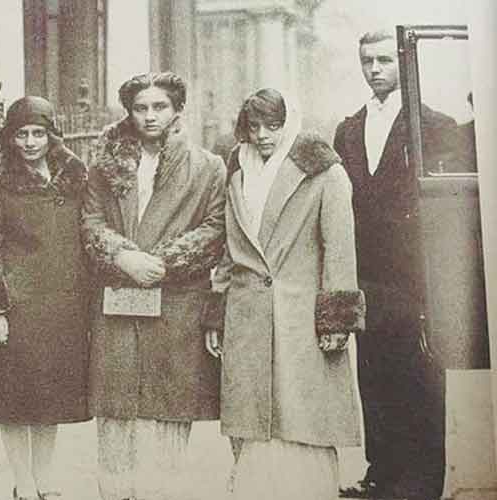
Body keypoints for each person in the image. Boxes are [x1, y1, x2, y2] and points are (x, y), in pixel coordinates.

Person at [211, 87, 365, 500]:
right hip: (247, 313)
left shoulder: (323, 171)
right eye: (255, 126)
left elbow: (339, 248)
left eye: (273, 126)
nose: (263, 135)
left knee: (301, 417)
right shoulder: (238, 171)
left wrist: (336, 318)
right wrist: (216, 312)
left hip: (301, 317)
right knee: (254, 420)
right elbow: (229, 247)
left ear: (289, 123)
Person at [82, 71, 226, 500]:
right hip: (119, 299)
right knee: (117, 405)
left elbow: (216, 226)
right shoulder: (105, 164)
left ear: (178, 110)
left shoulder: (207, 166)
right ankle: (116, 490)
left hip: (175, 301)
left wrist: (164, 262)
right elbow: (89, 219)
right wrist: (123, 256)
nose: (149, 116)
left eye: (159, 107)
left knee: (168, 405)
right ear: (129, 112)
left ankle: (162, 490)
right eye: (140, 108)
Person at [334, 30, 457, 500]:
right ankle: (380, 472)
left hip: (416, 275)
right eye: (367, 60)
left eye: (385, 59)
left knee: (421, 373)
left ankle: (422, 482)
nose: (375, 69)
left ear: (403, 62)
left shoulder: (434, 125)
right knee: (372, 372)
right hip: (366, 273)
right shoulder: (348, 127)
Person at [0, 96, 91, 500]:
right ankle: (22, 479)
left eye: (38, 133)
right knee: (14, 397)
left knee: (49, 395)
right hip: (16, 304)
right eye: (21, 134)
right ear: (9, 137)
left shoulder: (74, 174)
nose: (29, 142)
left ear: (51, 134)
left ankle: (45, 476)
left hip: (62, 304)